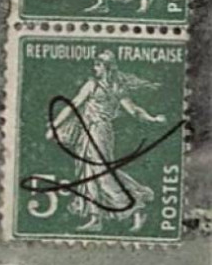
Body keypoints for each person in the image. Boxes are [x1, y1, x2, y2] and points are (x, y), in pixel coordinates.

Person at [45, 51, 165, 232]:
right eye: (95, 64)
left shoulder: (115, 88)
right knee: (87, 173)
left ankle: (135, 207)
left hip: (100, 131)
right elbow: (74, 105)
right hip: (88, 131)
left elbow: (134, 110)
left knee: (102, 173)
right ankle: (96, 219)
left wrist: (152, 119)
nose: (95, 68)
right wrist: (54, 125)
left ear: (107, 67)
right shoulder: (93, 84)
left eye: (98, 65)